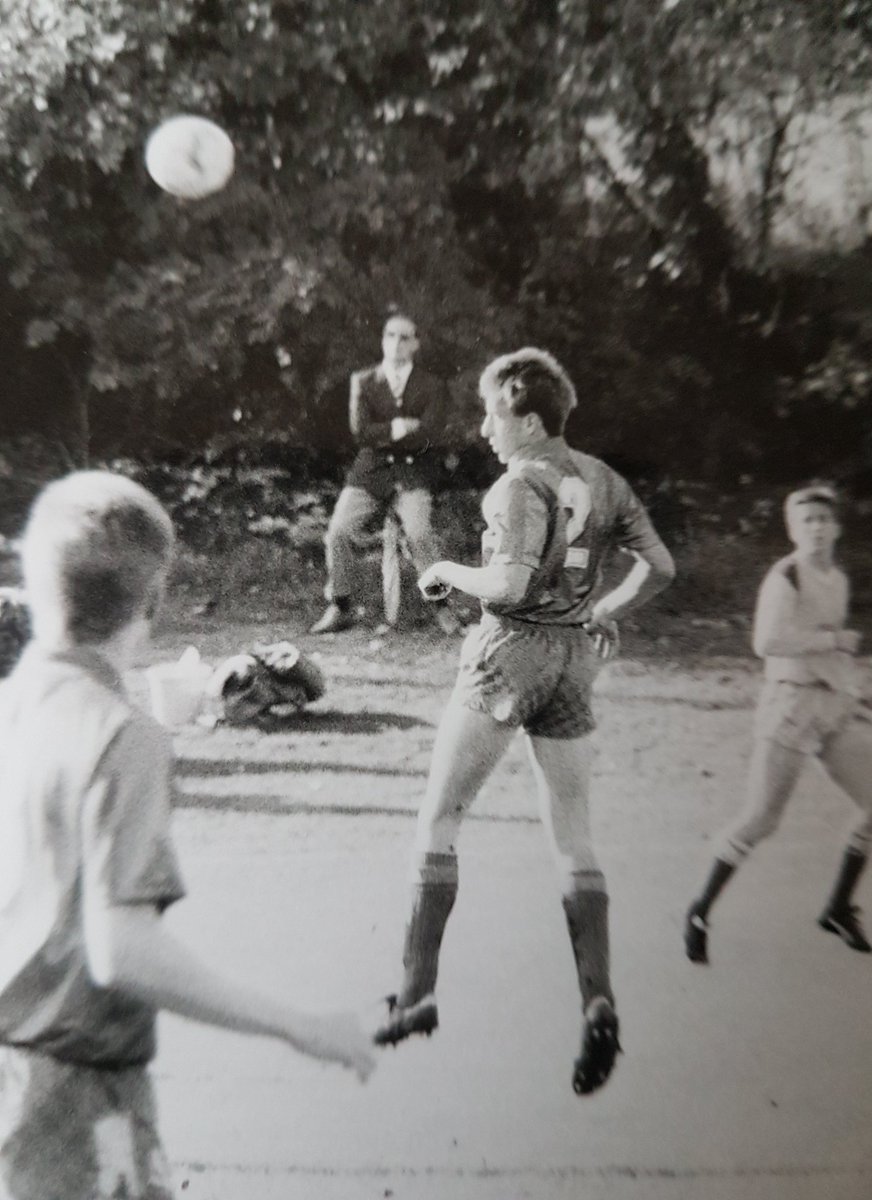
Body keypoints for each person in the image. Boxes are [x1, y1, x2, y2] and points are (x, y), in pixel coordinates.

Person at [0, 471, 375, 1200]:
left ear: (36, 587)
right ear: (154, 601)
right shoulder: (122, 734)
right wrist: (295, 1024)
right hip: (76, 1095)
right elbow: (122, 949)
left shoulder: (11, 706)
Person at [372, 348, 675, 1096]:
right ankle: (597, 996)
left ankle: (415, 996)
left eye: (492, 414)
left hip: (511, 650)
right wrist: (605, 609)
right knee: (573, 835)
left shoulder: (518, 483)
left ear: (528, 419)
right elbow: (660, 567)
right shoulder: (603, 479)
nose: (484, 428)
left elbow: (505, 584)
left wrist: (445, 574)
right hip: (575, 658)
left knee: (438, 818)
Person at [684, 484, 872, 965]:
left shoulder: (836, 578)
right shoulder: (787, 575)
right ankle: (699, 910)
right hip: (790, 705)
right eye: (806, 521)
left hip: (832, 705)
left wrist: (855, 690)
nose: (816, 528)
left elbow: (831, 651)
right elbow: (767, 642)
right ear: (793, 530)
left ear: (836, 527)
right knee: (762, 819)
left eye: (823, 519)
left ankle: (839, 906)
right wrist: (832, 639)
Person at [311, 310, 459, 636]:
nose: (396, 344)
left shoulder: (432, 385)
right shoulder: (363, 381)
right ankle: (341, 605)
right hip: (370, 472)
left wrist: (393, 433)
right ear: (382, 340)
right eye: (390, 335)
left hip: (411, 473)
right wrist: (399, 425)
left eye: (404, 337)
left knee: (420, 534)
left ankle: (441, 606)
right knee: (338, 530)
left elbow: (431, 434)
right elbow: (361, 433)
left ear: (416, 344)